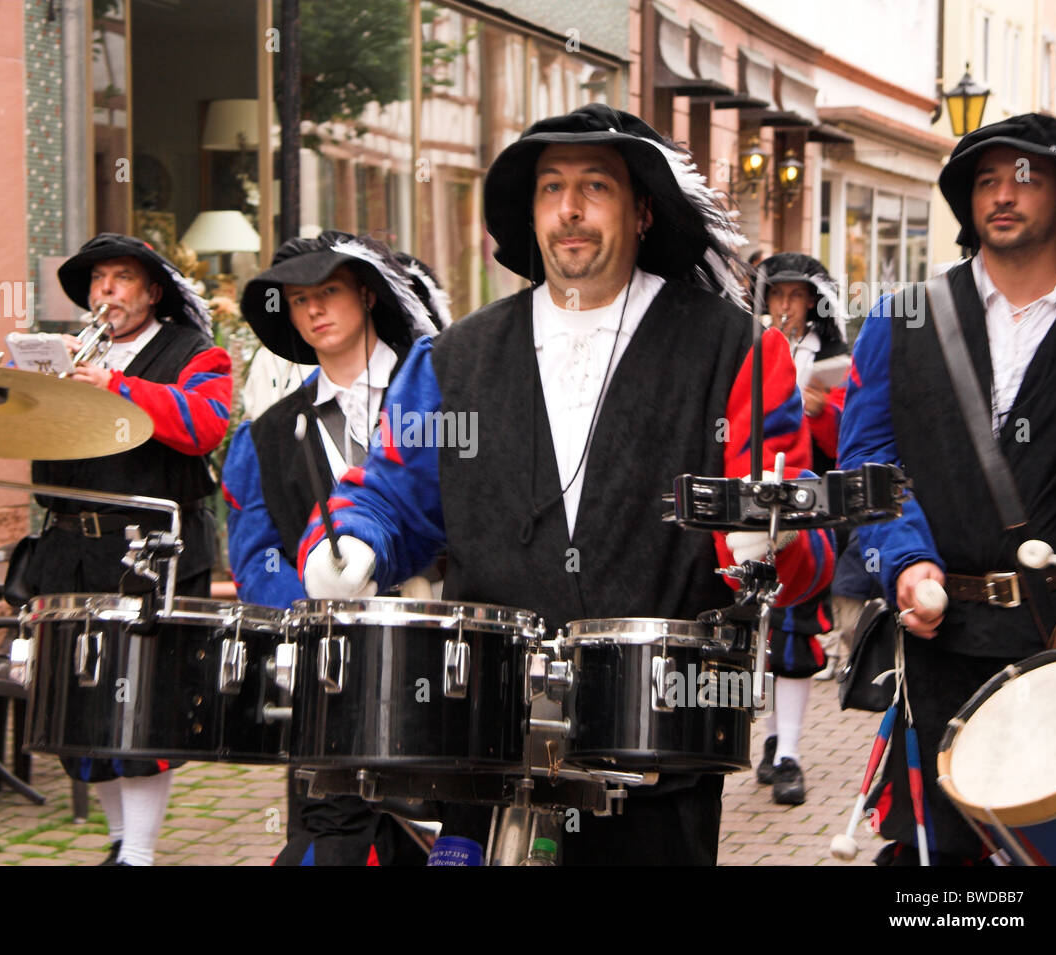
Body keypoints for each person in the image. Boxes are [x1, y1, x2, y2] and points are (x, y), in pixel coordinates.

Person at [298, 104, 835, 865]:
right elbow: (391, 493)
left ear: (643, 209)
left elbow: (800, 540)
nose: (570, 210)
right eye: (551, 189)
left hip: (659, 741)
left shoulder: (733, 349)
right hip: (485, 736)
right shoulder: (455, 359)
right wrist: (349, 540)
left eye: (595, 187)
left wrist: (766, 544)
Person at [839, 113, 1056, 865]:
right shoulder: (904, 317)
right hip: (943, 644)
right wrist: (909, 562)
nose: (1003, 194)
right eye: (985, 180)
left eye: (1025, 178)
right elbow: (867, 468)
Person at [222, 231, 446, 864]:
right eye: (298, 300)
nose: (314, 310)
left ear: (367, 295)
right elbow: (256, 555)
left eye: (328, 292)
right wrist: (317, 616)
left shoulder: (436, 395)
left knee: (447, 827)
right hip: (327, 675)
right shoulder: (267, 435)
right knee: (332, 833)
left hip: (441, 658)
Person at [20, 233, 233, 866]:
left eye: (121, 278)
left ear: (153, 292)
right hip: (71, 550)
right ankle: (119, 845)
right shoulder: (72, 349)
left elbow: (203, 426)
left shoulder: (199, 353)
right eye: (97, 280)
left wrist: (115, 385)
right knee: (81, 710)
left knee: (141, 706)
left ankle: (138, 854)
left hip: (150, 552)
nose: (105, 291)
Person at [751, 254, 850, 803]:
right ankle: (770, 741)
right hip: (748, 508)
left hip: (808, 513)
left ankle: (789, 753)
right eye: (778, 295)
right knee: (757, 633)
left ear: (814, 302)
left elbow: (852, 442)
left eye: (797, 296)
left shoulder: (835, 360)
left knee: (794, 632)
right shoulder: (742, 348)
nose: (787, 306)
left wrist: (819, 413)